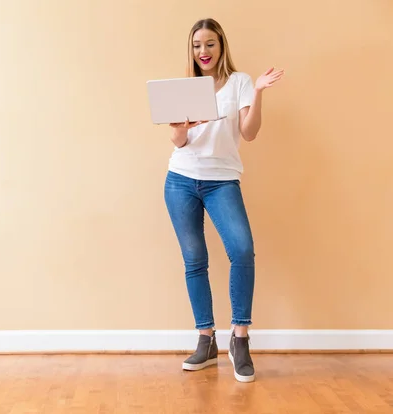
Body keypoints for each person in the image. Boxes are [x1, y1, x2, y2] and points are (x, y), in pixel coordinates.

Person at [163, 18, 284, 383]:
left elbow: (249, 132)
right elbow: (178, 142)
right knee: (194, 261)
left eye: (210, 44)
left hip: (222, 181)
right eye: (198, 45)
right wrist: (182, 126)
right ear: (192, 49)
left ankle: (240, 338)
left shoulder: (240, 83)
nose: (204, 51)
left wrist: (259, 92)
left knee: (242, 250)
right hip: (181, 180)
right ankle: (206, 339)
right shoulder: (184, 88)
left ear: (221, 46)